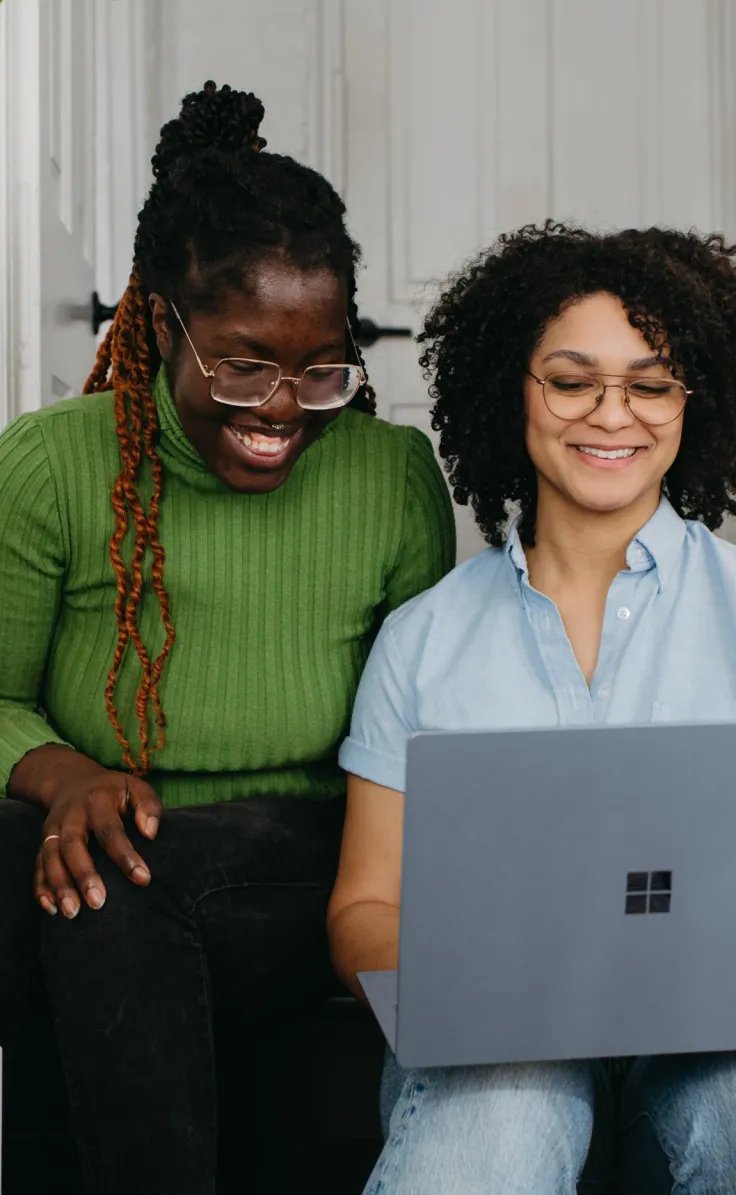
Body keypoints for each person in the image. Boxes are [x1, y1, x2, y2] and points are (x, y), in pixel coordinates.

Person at [0, 81, 455, 1195]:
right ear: (157, 323)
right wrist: (68, 776)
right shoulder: (49, 466)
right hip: (98, 831)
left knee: (114, 881)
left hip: (300, 852)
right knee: (19, 859)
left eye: (322, 369)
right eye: (242, 364)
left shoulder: (389, 477)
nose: (282, 407)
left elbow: (424, 726)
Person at [328, 222, 736, 1195]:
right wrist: (465, 986)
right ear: (514, 387)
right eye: (572, 378)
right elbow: (362, 906)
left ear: (692, 402)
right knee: (509, 1107)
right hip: (495, 1043)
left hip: (708, 1035)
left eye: (651, 382)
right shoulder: (422, 640)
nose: (613, 413)